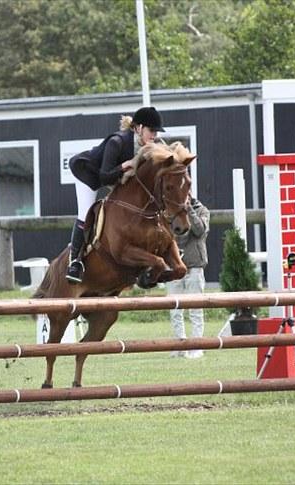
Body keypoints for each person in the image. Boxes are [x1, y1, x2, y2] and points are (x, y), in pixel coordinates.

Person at [65, 106, 164, 283]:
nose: (154, 136)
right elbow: (104, 176)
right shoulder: (117, 142)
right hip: (88, 174)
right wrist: (124, 166)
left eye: (156, 132)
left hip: (112, 176)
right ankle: (75, 262)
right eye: (152, 131)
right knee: (85, 213)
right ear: (139, 128)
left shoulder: (148, 144)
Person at [166, 196, 210, 359]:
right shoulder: (170, 213)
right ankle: (179, 345)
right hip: (175, 267)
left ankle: (196, 346)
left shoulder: (202, 211)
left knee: (195, 309)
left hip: (194, 266)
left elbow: (199, 230)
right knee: (175, 309)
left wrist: (189, 211)